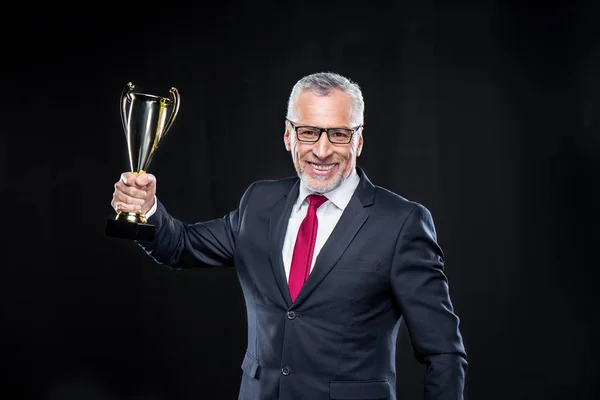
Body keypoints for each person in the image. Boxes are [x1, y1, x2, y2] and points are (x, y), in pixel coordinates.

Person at [111, 72, 467, 400]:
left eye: (339, 134)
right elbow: (182, 247)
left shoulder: (401, 223)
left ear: (358, 141)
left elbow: (444, 353)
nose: (322, 150)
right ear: (288, 136)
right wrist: (147, 209)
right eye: (308, 132)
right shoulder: (259, 201)